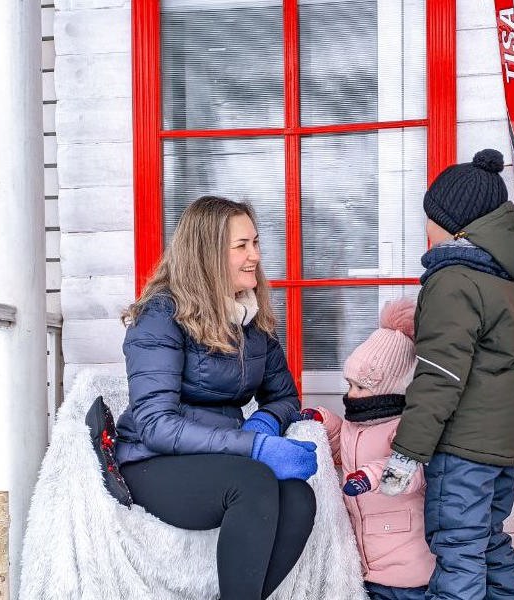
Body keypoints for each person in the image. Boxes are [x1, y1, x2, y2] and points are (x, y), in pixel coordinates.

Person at [113, 195, 318, 600]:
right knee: (254, 481)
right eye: (241, 246)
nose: (255, 256)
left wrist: (265, 422)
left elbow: (285, 395)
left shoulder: (251, 318)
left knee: (299, 496)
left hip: (220, 456)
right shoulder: (162, 315)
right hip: (153, 462)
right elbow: (155, 425)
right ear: (207, 254)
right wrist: (254, 446)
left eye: (256, 243)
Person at [378, 149, 514, 600]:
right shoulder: (501, 281)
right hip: (500, 447)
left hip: (462, 448)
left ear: (454, 225)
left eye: (430, 217)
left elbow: (439, 373)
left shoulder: (453, 281)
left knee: (458, 548)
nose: (424, 228)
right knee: (488, 540)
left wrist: (407, 452)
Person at [300, 297, 435, 600]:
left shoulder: (403, 427)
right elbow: (340, 447)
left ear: (390, 388)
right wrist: (322, 422)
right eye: (349, 384)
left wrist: (370, 477)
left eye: (361, 387)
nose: (351, 394)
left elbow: (411, 471)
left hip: (409, 564)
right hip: (367, 564)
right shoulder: (354, 426)